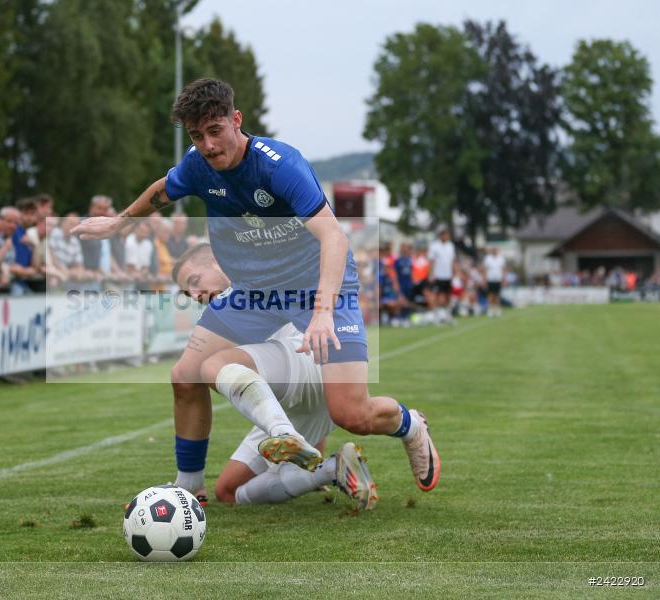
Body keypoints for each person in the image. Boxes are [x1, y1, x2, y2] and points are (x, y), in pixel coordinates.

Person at [73, 78, 440, 499]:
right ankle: (188, 490)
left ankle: (411, 425)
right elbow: (163, 190)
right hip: (255, 292)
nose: (208, 145)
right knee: (185, 375)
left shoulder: (279, 165)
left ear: (236, 120)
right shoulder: (197, 165)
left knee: (351, 414)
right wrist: (119, 222)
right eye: (197, 135)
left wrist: (322, 312)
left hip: (315, 288)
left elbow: (334, 238)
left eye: (215, 131)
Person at [175, 244, 377, 509]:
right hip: (319, 387)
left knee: (203, 370)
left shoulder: (241, 290)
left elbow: (187, 374)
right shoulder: (254, 279)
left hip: (307, 375)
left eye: (195, 281)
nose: (194, 294)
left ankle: (312, 460)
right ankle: (330, 468)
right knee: (227, 491)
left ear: (216, 260)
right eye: (187, 292)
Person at [428, 228, 455, 324]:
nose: (446, 237)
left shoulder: (450, 246)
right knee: (437, 296)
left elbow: (452, 261)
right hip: (438, 275)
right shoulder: (434, 246)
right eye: (444, 235)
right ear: (441, 236)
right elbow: (431, 261)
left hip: (447, 275)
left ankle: (448, 316)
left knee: (448, 296)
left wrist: (453, 273)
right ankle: (437, 316)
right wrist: (431, 274)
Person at [483, 247, 506, 317]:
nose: (495, 252)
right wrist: (485, 279)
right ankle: (490, 309)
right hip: (490, 279)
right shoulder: (488, 258)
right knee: (491, 294)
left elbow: (503, 269)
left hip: (498, 279)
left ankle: (496, 309)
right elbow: (485, 269)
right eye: (494, 250)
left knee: (497, 294)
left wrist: (503, 279)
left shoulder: (501, 258)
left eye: (496, 250)